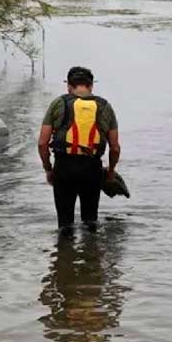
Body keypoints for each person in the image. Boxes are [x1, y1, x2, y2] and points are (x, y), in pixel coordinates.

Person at [38, 66, 121, 231]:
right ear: (91, 86)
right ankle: (91, 253)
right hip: (92, 169)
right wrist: (110, 172)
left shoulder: (58, 103)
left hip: (63, 168)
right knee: (90, 224)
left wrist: (49, 170)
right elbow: (115, 148)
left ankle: (64, 254)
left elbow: (42, 143)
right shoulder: (105, 106)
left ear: (69, 85)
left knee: (65, 225)